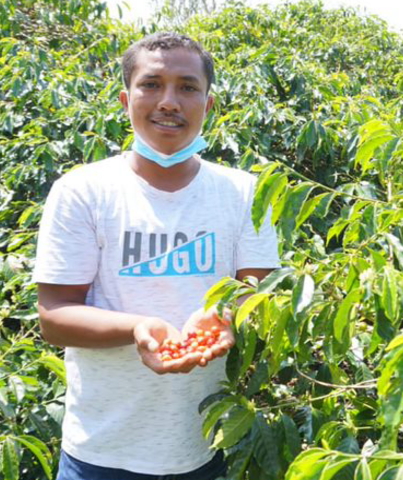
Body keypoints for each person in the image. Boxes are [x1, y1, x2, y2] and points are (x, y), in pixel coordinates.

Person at [33, 32, 279, 479]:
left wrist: (225, 318)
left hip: (205, 444)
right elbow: (54, 316)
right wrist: (139, 328)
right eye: (151, 85)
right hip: (100, 451)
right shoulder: (83, 191)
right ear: (126, 100)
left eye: (187, 87)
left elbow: (258, 295)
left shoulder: (246, 193)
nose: (169, 101)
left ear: (208, 105)